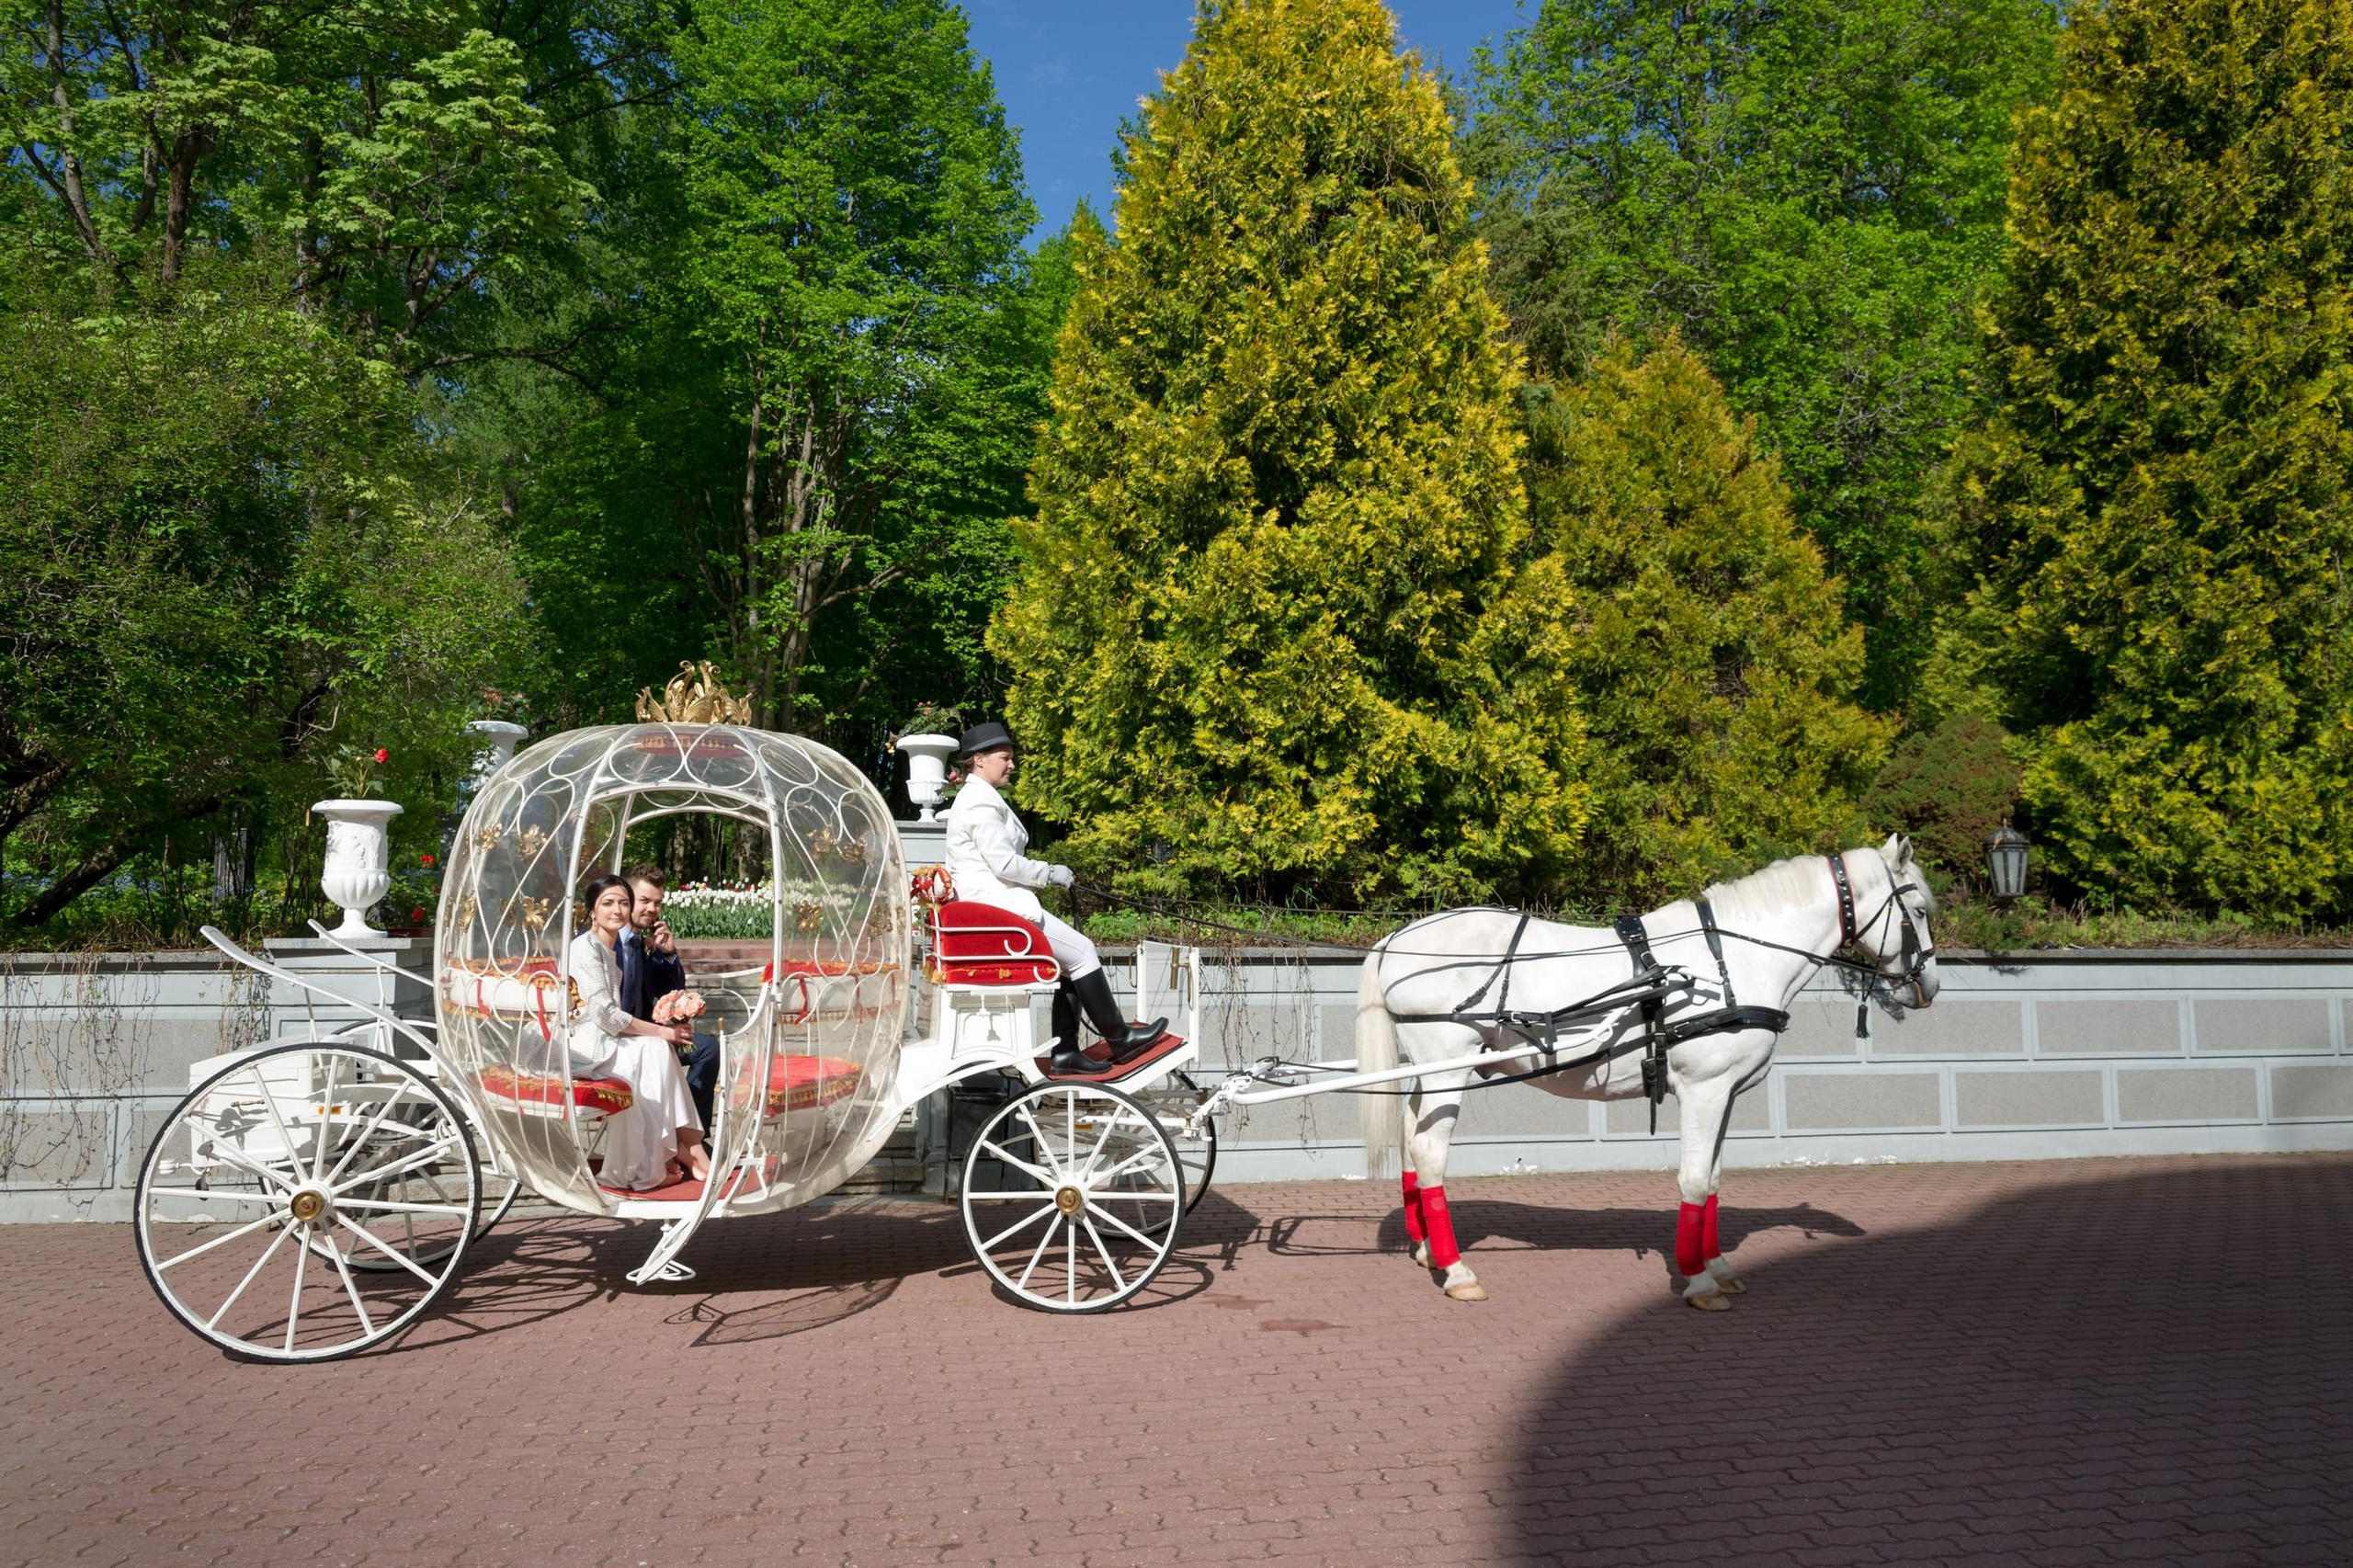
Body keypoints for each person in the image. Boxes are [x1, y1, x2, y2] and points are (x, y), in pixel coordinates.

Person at [943, 721, 1166, 1077]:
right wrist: (1049, 872)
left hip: (995, 905)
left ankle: (1067, 1053)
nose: (1012, 764)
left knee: (1073, 959)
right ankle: (1119, 1038)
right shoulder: (978, 804)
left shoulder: (977, 799)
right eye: (1005, 758)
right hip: (999, 908)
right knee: (1082, 953)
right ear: (980, 760)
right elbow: (1004, 863)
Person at [569, 873, 713, 1191]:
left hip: (622, 1037)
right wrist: (660, 1033)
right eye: (608, 903)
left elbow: (668, 990)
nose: (618, 910)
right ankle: (677, 1151)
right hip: (588, 1047)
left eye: (623, 903)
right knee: (656, 1050)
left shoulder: (616, 947)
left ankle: (684, 1148)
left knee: (682, 1050)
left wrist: (667, 956)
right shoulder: (587, 948)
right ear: (592, 910)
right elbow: (604, 1014)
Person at [616, 866, 721, 1131]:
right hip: (619, 1039)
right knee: (661, 1052)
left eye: (657, 903)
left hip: (652, 1034)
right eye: (645, 901)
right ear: (625, 900)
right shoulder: (610, 943)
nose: (652, 909)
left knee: (707, 1048)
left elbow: (673, 994)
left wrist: (668, 955)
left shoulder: (644, 944)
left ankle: (694, 1134)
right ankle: (677, 1141)